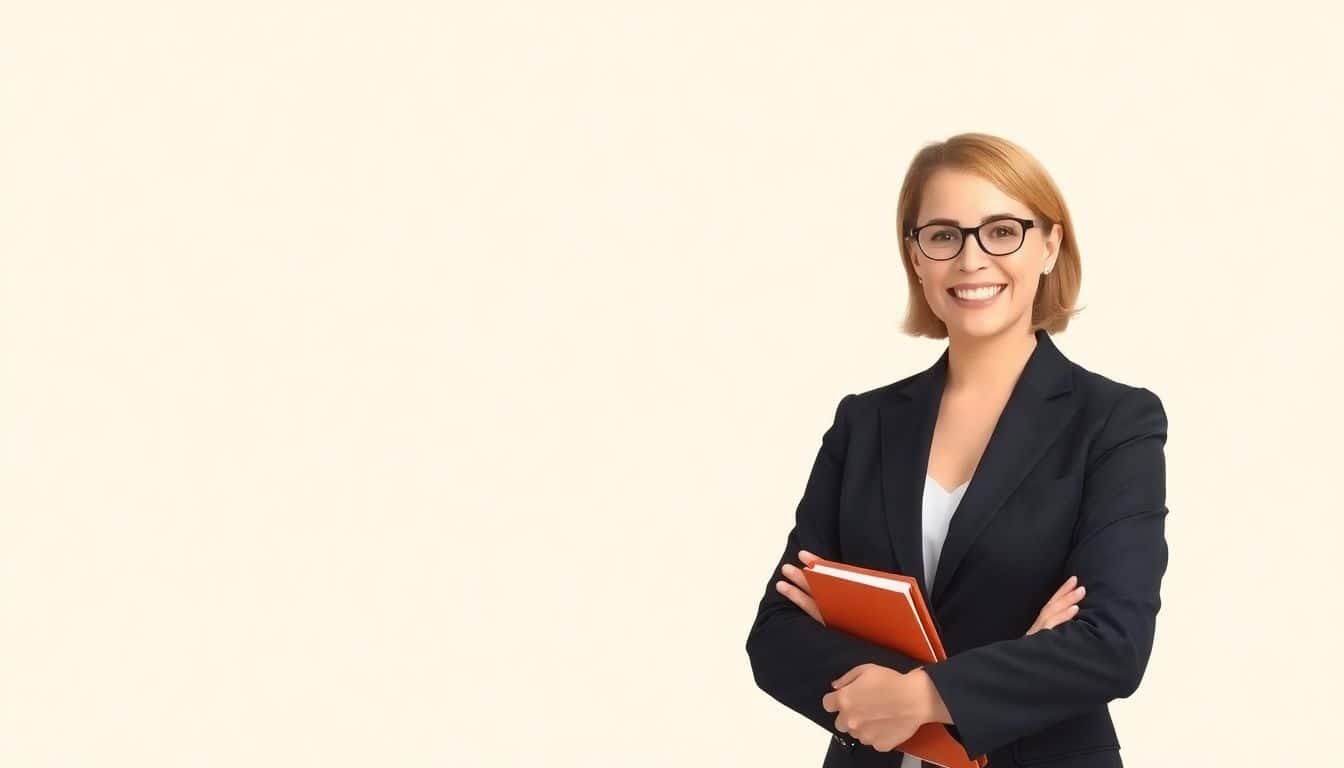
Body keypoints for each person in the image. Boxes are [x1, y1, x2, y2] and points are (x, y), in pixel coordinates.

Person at [744, 133, 1168, 768]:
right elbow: (777, 635)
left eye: (1002, 232)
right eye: (943, 235)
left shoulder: (1114, 421)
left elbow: (1111, 645)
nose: (972, 259)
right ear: (916, 257)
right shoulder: (864, 423)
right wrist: (1006, 665)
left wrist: (921, 696)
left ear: (1050, 245)